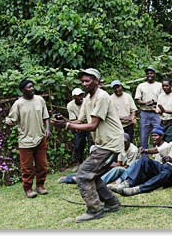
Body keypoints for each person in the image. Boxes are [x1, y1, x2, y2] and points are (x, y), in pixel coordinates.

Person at [52, 68, 123, 223]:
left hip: (111, 143)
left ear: (96, 81)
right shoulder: (87, 99)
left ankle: (95, 210)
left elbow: (92, 125)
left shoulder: (102, 96)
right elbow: (81, 120)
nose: (84, 84)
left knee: (83, 174)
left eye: (87, 81)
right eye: (82, 81)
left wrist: (67, 126)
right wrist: (64, 121)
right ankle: (111, 203)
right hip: (102, 143)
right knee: (92, 174)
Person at [111, 128, 172, 196]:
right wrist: (145, 150)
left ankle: (138, 189)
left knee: (166, 172)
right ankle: (127, 183)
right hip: (165, 166)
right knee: (144, 160)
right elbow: (157, 150)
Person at [5, 79, 50, 198]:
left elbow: (46, 116)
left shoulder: (40, 100)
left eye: (32, 86)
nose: (32, 88)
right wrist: (7, 122)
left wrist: (47, 129)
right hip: (25, 141)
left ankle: (40, 186)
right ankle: (28, 188)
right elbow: (12, 119)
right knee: (27, 168)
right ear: (22, 90)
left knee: (42, 165)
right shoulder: (18, 104)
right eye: (29, 87)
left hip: (40, 137)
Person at [58, 133, 140, 185]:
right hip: (122, 166)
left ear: (129, 141)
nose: (123, 144)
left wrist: (109, 165)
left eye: (125, 142)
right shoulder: (120, 147)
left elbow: (129, 168)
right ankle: (70, 178)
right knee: (100, 167)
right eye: (121, 142)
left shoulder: (133, 150)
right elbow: (119, 162)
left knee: (117, 169)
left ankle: (97, 181)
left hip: (130, 172)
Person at [134, 67, 162, 148]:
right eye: (148, 73)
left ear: (154, 75)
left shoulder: (160, 85)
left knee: (158, 133)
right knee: (143, 134)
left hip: (157, 113)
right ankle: (144, 154)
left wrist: (154, 103)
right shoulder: (141, 86)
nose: (149, 75)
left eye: (151, 73)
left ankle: (156, 153)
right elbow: (137, 99)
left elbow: (164, 99)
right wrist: (146, 103)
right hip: (144, 112)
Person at [67, 88, 92, 171]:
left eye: (82, 95)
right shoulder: (70, 105)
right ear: (74, 97)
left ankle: (91, 163)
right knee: (78, 145)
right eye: (79, 96)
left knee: (91, 143)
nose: (81, 97)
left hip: (89, 124)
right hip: (78, 125)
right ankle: (79, 163)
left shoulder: (87, 101)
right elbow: (73, 119)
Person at [156, 78, 172, 142]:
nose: (165, 87)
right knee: (160, 141)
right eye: (163, 86)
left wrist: (165, 111)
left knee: (169, 141)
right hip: (162, 122)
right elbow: (158, 109)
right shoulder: (161, 96)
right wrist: (159, 111)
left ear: (171, 86)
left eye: (167, 86)